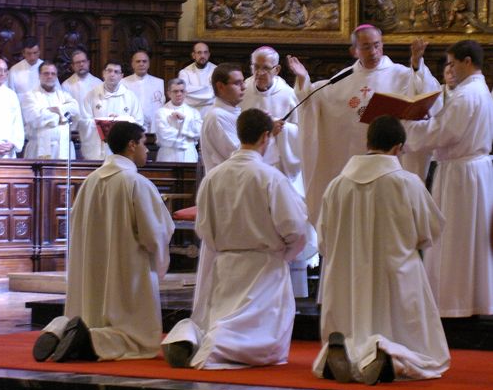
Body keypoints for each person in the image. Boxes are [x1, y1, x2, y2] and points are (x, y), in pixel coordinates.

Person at [162, 109, 308, 369]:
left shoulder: (214, 177)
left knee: (224, 316)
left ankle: (194, 338)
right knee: (264, 339)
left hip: (227, 263)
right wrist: (283, 255)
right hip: (265, 265)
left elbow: (204, 227)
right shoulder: (270, 177)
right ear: (266, 136)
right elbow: (294, 227)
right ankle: (217, 345)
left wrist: (224, 249)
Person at [314, 115, 450, 384]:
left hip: (347, 275)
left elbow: (323, 239)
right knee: (417, 349)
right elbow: (429, 231)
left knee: (352, 327)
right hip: (396, 272)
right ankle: (390, 357)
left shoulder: (337, 185)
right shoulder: (407, 182)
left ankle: (352, 353)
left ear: (368, 142)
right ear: (399, 147)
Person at [32, 122, 174, 362]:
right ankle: (91, 340)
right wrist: (159, 257)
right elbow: (155, 234)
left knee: (92, 315)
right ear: (131, 145)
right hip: (127, 270)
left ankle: (59, 330)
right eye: (143, 144)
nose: (147, 150)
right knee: (136, 337)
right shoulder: (136, 183)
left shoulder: (90, 181)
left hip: (92, 268)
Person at [287, 24, 442, 226]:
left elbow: (427, 95)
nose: (374, 52)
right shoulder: (343, 79)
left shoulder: (403, 74)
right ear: (355, 50)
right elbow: (312, 102)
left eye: (377, 45)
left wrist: (416, 64)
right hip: (355, 164)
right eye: (366, 47)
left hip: (392, 165)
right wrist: (302, 79)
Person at [401, 40, 493, 318]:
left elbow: (442, 133)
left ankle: (453, 302)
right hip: (475, 171)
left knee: (455, 237)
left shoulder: (467, 95)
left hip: (460, 174)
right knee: (472, 238)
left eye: (452, 63)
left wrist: (407, 126)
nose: (449, 68)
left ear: (467, 61)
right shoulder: (480, 90)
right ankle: (476, 298)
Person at [240, 45, 316, 298]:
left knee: (287, 223)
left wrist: (282, 131)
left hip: (284, 169)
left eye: (265, 68)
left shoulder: (286, 94)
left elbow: (304, 130)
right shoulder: (244, 90)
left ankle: (292, 290)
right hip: (254, 168)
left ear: (277, 69)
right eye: (256, 67)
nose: (259, 73)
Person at [81, 60, 143, 160]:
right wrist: (103, 123)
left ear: (121, 76)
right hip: (98, 148)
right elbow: (84, 121)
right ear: (103, 73)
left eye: (116, 72)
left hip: (122, 149)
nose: (112, 74)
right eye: (109, 71)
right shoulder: (92, 95)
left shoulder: (130, 97)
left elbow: (138, 122)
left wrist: (121, 120)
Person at [21, 61, 79, 159]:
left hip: (63, 148)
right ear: (39, 76)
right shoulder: (30, 96)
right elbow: (36, 118)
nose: (50, 76)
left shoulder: (63, 95)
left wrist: (56, 110)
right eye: (46, 73)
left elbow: (75, 109)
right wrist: (62, 117)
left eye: (53, 74)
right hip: (39, 148)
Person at [200, 63, 246, 173]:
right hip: (225, 184)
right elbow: (238, 156)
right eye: (237, 83)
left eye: (243, 82)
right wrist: (267, 135)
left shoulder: (234, 112)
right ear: (220, 86)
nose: (244, 87)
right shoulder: (217, 117)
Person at [155, 78, 202, 162]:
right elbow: (164, 135)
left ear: (186, 93)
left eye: (182, 91)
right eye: (175, 91)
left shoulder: (193, 112)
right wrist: (187, 136)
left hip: (189, 155)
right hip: (168, 155)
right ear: (169, 93)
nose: (179, 94)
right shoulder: (161, 112)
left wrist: (185, 119)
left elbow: (198, 133)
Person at [121, 50, 165, 133]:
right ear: (132, 64)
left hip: (152, 128)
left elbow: (159, 106)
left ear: (148, 64)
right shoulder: (123, 83)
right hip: (131, 127)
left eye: (144, 61)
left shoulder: (158, 82)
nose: (141, 64)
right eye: (138, 61)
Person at [178, 42, 216, 117]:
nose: (203, 55)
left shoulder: (216, 70)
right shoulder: (184, 72)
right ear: (193, 55)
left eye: (205, 52)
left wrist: (192, 93)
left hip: (210, 113)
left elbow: (218, 94)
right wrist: (208, 91)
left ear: (209, 55)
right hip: (191, 114)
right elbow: (184, 95)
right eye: (199, 53)